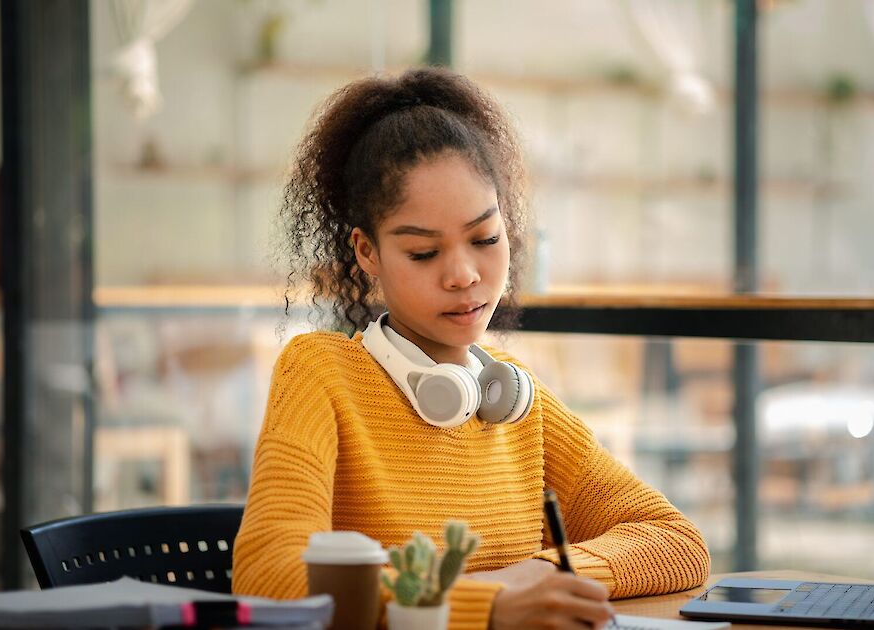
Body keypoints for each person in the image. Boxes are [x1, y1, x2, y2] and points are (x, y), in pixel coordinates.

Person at [232, 66, 710, 630]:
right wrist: (487, 604)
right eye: (423, 253)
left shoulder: (511, 397)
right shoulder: (320, 374)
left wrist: (540, 575)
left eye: (485, 239)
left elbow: (676, 542)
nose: (464, 275)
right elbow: (270, 574)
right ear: (366, 253)